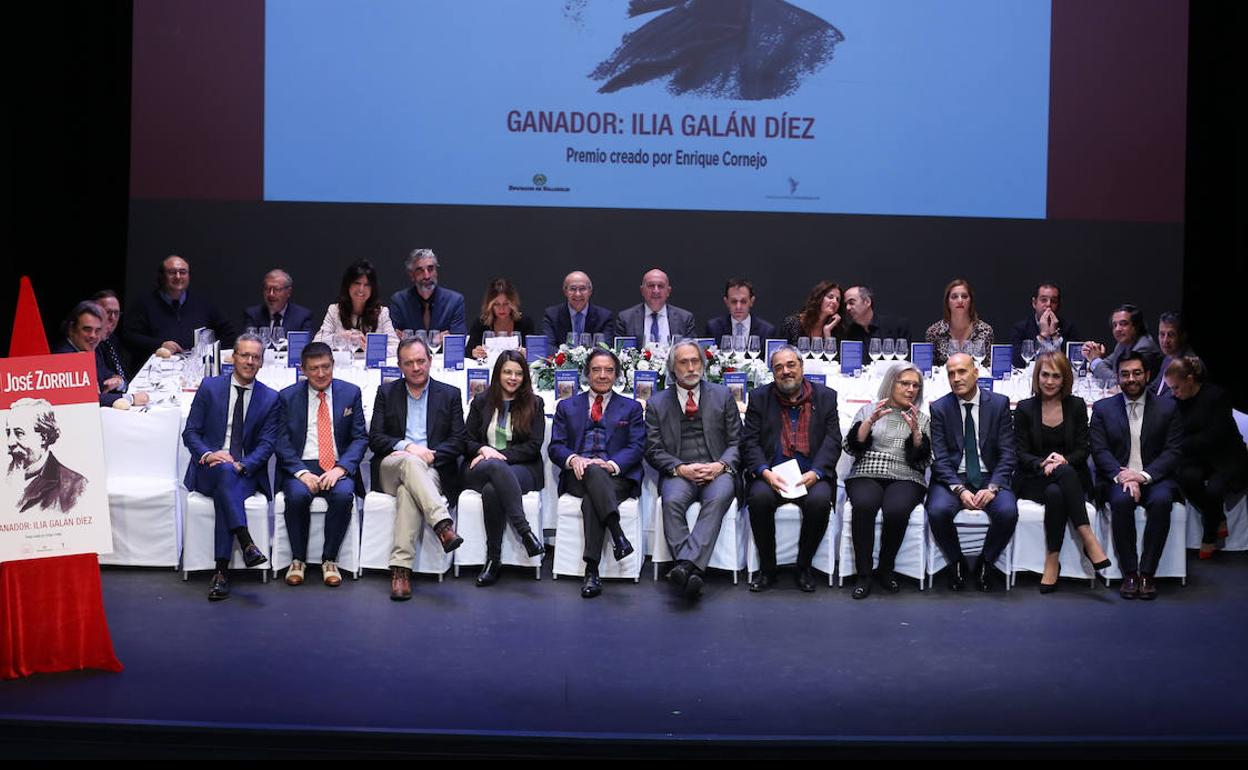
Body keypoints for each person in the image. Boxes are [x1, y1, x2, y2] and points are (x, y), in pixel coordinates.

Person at [181, 333, 280, 601]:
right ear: (232, 357)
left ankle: (221, 572)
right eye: (244, 355)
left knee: (228, 480)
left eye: (255, 357)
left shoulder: (270, 398)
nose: (249, 361)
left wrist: (242, 464)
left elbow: (267, 445)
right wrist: (209, 454)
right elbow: (191, 433)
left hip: (245, 472)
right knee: (224, 475)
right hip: (208, 469)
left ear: (261, 362)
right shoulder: (210, 387)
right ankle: (245, 542)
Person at [368, 336, 466, 601]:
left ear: (430, 361)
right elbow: (375, 438)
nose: (416, 368)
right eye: (408, 363)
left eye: (420, 361)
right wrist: (408, 447)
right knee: (410, 462)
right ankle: (443, 524)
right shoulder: (386, 393)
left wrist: (430, 456)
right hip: (392, 465)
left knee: (408, 492)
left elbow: (459, 441)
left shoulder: (449, 394)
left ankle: (400, 570)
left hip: (431, 469)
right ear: (400, 366)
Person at [644, 340, 740, 600]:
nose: (690, 368)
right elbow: (653, 450)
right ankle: (693, 568)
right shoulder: (656, 403)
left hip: (716, 469)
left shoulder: (722, 395)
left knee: (719, 498)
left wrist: (720, 465)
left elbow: (737, 442)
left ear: (703, 364)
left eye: (695, 361)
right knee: (671, 501)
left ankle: (685, 566)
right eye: (683, 362)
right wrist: (680, 468)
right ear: (672, 369)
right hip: (680, 471)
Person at [741, 345, 842, 592]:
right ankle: (768, 569)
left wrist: (817, 473)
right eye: (778, 368)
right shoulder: (759, 398)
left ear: (801, 367)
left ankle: (804, 567)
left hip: (811, 475)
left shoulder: (825, 397)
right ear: (772, 373)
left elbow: (833, 440)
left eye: (791, 365)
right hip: (771, 475)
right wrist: (765, 472)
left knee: (820, 502)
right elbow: (749, 442)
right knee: (758, 498)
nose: (785, 371)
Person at [548, 347, 646, 598]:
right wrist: (573, 459)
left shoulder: (631, 407)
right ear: (587, 374)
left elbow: (637, 446)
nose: (602, 375)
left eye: (609, 370)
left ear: (616, 375)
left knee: (594, 497)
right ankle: (618, 535)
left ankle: (591, 570)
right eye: (596, 370)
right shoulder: (567, 406)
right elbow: (556, 446)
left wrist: (612, 464)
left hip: (617, 477)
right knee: (591, 473)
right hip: (578, 477)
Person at [1089, 352, 1184, 600]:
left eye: (1137, 373)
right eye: (1125, 374)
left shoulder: (1168, 406)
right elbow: (1099, 451)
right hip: (1118, 478)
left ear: (1147, 375)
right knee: (1121, 502)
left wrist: (1141, 476)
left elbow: (1173, 451)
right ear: (1118, 378)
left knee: (1162, 502)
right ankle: (1130, 573)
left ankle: (1148, 573)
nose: (1131, 378)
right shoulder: (1102, 408)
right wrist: (1123, 477)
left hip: (1154, 477)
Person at [1013, 351, 1110, 592]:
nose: (1049, 381)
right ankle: (1088, 537)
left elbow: (1083, 448)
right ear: (1037, 376)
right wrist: (1042, 463)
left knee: (1057, 491)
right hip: (1034, 478)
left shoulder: (1076, 406)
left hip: (1069, 478)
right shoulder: (1025, 408)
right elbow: (1020, 453)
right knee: (1061, 477)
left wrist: (1063, 460)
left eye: (1056, 376)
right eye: (1045, 374)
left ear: (1065, 379)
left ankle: (1051, 560)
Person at [274, 342, 368, 587]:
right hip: (302, 464)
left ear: (333, 365)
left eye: (326, 366)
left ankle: (330, 559)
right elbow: (281, 441)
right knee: (295, 497)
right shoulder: (287, 396)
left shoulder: (351, 393)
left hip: (337, 464)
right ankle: (298, 559)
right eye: (314, 368)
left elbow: (360, 438)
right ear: (303, 370)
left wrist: (341, 469)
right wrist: (302, 472)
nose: (321, 373)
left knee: (343, 495)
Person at [927, 353, 1019, 591]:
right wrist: (959, 490)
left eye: (962, 371)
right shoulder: (940, 408)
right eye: (951, 373)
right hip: (954, 478)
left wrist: (993, 487)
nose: (956, 378)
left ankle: (985, 563)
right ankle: (956, 562)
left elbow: (1008, 453)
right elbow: (940, 458)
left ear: (976, 373)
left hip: (989, 477)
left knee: (1008, 512)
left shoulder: (998, 404)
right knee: (937, 511)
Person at [843, 363, 932, 598]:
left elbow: (923, 461)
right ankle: (864, 574)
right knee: (864, 505)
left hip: (906, 474)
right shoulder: (868, 410)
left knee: (896, 510)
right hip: (867, 471)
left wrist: (916, 435)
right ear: (891, 383)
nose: (911, 389)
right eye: (905, 383)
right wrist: (868, 423)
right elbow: (852, 447)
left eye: (916, 385)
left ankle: (885, 568)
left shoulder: (921, 418)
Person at [461, 350, 547, 586]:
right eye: (507, 372)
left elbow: (533, 446)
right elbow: (466, 441)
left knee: (492, 489)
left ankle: (493, 560)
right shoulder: (481, 401)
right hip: (479, 466)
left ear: (525, 377)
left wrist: (496, 455)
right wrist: (483, 450)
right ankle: (526, 533)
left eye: (518, 373)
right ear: (498, 373)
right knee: (493, 470)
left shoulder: (535, 403)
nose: (512, 378)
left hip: (522, 468)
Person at [1164, 357, 1248, 559]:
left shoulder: (1217, 397)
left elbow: (1215, 436)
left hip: (1226, 454)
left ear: (1190, 380)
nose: (1173, 393)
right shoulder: (1175, 401)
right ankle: (1218, 517)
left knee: (1214, 490)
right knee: (1186, 477)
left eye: (1176, 388)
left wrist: (1180, 444)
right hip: (1196, 455)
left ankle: (1209, 535)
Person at [123, 254, 235, 359]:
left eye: (183, 272)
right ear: (161, 276)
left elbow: (229, 333)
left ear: (189, 275)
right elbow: (129, 337)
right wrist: (160, 345)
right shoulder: (144, 303)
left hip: (196, 368)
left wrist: (211, 354)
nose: (178, 277)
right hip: (158, 369)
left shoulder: (204, 303)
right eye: (172, 272)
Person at [53, 301, 149, 407]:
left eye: (97, 330)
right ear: (71, 329)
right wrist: (130, 398)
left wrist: (119, 382)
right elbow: (86, 399)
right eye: (87, 329)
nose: (93, 336)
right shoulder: (64, 357)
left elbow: (107, 375)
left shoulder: (89, 349)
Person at [6, 397, 88, 514]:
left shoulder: (75, 486)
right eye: (8, 433)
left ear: (43, 438)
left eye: (19, 433)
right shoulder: (5, 476)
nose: (10, 442)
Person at [315, 259, 400, 351]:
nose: (361, 289)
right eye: (357, 283)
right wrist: (341, 337)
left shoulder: (382, 313)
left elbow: (396, 347)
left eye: (367, 285)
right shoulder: (335, 310)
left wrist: (370, 348)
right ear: (348, 285)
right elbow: (316, 344)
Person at [388, 248, 467, 336]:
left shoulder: (454, 301)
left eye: (430, 269)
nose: (427, 276)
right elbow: (393, 339)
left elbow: (457, 340)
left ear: (436, 272)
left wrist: (410, 337)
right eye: (420, 270)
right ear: (411, 275)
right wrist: (435, 340)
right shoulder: (399, 301)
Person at [1082, 304, 1163, 385]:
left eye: (1123, 324)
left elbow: (1120, 383)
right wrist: (1093, 354)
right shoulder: (1123, 344)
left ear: (1136, 326)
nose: (1117, 329)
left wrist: (1095, 360)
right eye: (1114, 325)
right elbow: (1107, 364)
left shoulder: (1144, 348)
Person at [615, 268, 696, 345]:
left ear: (668, 291)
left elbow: (691, 352)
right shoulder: (626, 319)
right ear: (642, 290)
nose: (656, 291)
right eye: (651, 286)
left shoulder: (685, 318)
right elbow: (620, 354)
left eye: (660, 286)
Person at [925, 278, 995, 367]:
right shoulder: (934, 332)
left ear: (970, 301)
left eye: (964, 296)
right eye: (954, 297)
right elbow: (930, 368)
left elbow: (988, 367)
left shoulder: (985, 331)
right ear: (947, 302)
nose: (960, 301)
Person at [1008, 282, 1081, 367]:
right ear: (1034, 303)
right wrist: (1042, 336)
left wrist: (1055, 335)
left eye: (1053, 301)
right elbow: (1017, 361)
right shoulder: (1020, 328)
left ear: (1058, 305)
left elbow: (1075, 361)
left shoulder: (1068, 327)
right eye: (1043, 300)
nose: (1048, 304)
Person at [541, 270, 615, 348]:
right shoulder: (552, 316)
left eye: (582, 289)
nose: (577, 294)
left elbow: (605, 348)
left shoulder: (604, 317)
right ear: (565, 291)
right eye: (572, 289)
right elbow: (548, 346)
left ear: (590, 291)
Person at [467, 278, 536, 359]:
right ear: (490, 305)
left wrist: (527, 353)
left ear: (513, 303)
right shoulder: (481, 322)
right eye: (496, 304)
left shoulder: (525, 322)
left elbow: (535, 354)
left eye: (506, 304)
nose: (502, 309)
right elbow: (467, 351)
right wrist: (474, 352)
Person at [841, 285, 910, 366]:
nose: (847, 308)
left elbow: (907, 364)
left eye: (851, 303)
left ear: (867, 302)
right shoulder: (849, 332)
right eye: (846, 304)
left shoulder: (896, 327)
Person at [705, 277, 777, 343]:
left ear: (751, 301)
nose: (738, 307)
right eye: (734, 301)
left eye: (743, 301)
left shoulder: (766, 331)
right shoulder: (714, 328)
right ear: (726, 302)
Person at [243, 269, 314, 334]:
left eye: (276, 289)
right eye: (267, 289)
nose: (271, 294)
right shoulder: (253, 315)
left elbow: (305, 345)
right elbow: (247, 342)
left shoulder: (302, 316)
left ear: (288, 292)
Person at [778, 280, 842, 345]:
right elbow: (779, 352)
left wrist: (827, 332)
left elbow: (833, 354)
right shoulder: (792, 323)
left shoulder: (835, 328)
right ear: (819, 297)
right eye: (830, 297)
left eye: (838, 300)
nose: (835, 301)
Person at [92, 289, 132, 387]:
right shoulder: (92, 342)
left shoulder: (113, 339)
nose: (113, 318)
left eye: (116, 313)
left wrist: (120, 382)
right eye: (108, 312)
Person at [1154, 311, 1198, 397]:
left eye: (1171, 335)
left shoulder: (1189, 363)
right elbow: (1155, 387)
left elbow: (1176, 401)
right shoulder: (1168, 357)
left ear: (1183, 336)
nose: (1165, 340)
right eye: (1162, 334)